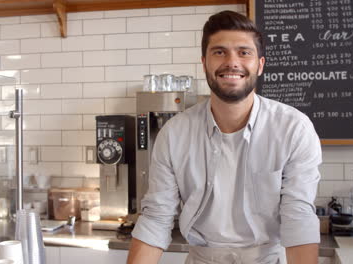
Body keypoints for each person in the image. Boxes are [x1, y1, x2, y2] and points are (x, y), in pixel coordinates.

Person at [127, 10, 322, 264]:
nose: (232, 62)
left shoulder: (293, 128)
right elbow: (156, 217)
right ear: (204, 63)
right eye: (219, 52)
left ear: (260, 65)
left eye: (244, 52)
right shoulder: (174, 134)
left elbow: (298, 217)